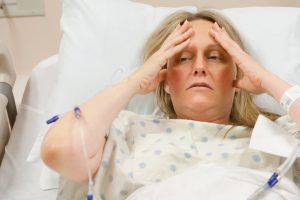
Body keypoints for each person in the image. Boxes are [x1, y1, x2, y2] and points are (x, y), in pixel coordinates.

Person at [41, 10, 300, 200]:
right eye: (183, 58)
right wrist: (134, 81)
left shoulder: (281, 135)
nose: (199, 67)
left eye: (214, 57)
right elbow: (59, 150)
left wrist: (268, 81)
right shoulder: (121, 132)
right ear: (164, 77)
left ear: (237, 73)